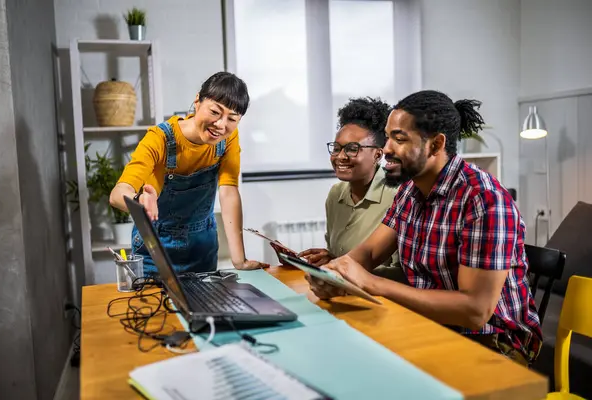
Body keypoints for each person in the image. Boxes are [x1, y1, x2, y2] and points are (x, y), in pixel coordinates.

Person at [307, 90, 543, 365]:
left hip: (492, 343)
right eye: (388, 137)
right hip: (430, 324)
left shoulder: (483, 199)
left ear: (435, 144)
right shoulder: (410, 191)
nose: (388, 150)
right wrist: (333, 276)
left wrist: (371, 283)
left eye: (399, 139)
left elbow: (475, 311)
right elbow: (370, 253)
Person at [109, 71, 268, 275]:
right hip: (155, 250)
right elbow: (117, 194)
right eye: (215, 112)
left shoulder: (228, 138)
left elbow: (228, 191)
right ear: (197, 101)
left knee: (202, 306)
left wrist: (240, 261)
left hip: (203, 249)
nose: (221, 125)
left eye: (232, 119)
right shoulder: (159, 139)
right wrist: (139, 201)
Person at [276, 97, 402, 279]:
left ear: (377, 154)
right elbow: (343, 256)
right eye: (336, 148)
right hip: (342, 291)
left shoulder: (398, 197)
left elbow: (402, 274)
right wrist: (330, 259)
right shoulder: (336, 194)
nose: (340, 157)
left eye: (352, 149)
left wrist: (339, 270)